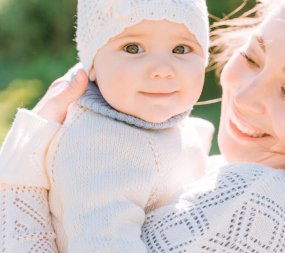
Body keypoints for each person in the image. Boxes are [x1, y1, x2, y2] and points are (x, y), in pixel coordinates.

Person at [1, 0, 285, 252]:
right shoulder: (240, 181)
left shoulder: (263, 203)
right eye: (252, 57)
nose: (245, 96)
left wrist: (23, 167)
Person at [0, 0, 213, 252]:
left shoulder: (163, 126)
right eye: (133, 48)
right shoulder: (100, 145)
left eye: (181, 49)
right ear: (91, 66)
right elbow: (103, 243)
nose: (162, 70)